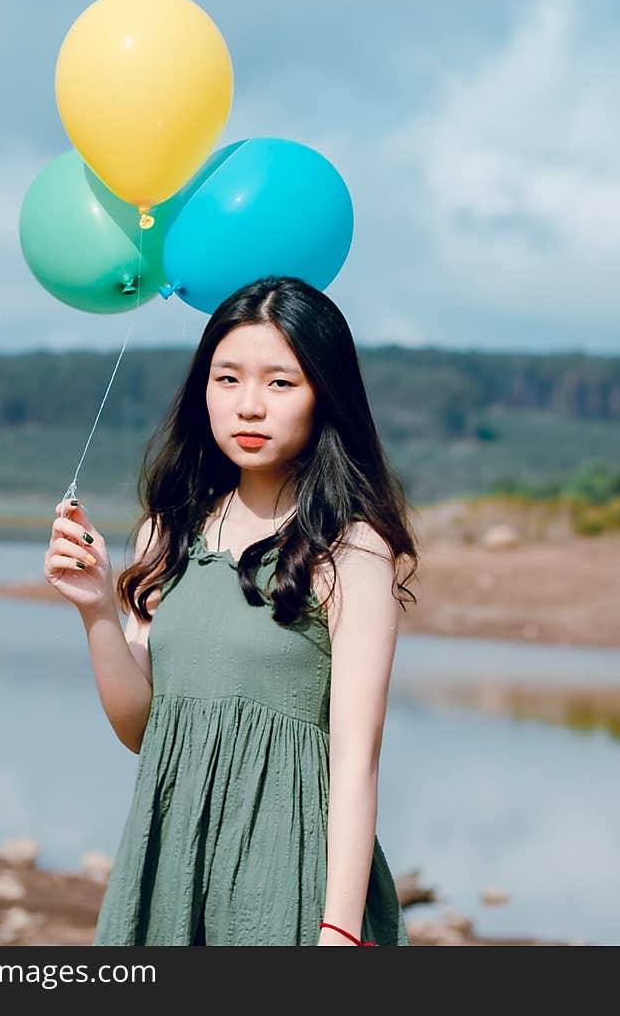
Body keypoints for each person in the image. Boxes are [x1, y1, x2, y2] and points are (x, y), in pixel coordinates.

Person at [44, 274, 418, 946]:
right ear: (202, 391)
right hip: (168, 864)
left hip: (290, 879)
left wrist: (339, 932)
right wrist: (98, 609)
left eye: (281, 382)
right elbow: (143, 730)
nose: (249, 406)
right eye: (227, 379)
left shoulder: (352, 551)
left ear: (322, 396)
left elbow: (357, 764)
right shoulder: (168, 529)